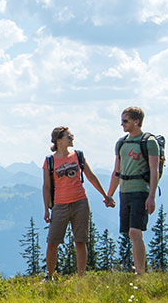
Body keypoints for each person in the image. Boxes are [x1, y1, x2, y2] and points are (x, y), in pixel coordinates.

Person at [42, 126, 113, 279]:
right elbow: (46, 186)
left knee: (80, 241)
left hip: (80, 202)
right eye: (69, 136)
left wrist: (105, 195)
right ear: (59, 139)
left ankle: (81, 277)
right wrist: (47, 209)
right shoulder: (49, 161)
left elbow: (91, 176)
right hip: (59, 205)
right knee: (52, 242)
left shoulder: (78, 156)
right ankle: (49, 276)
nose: (72, 138)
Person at [105, 107, 159, 274]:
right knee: (131, 232)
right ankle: (139, 269)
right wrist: (110, 194)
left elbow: (154, 169)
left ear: (137, 121)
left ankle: (140, 272)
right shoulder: (121, 143)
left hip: (140, 191)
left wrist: (151, 196)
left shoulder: (149, 142)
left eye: (126, 120)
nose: (122, 124)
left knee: (135, 231)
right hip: (124, 192)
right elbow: (117, 171)